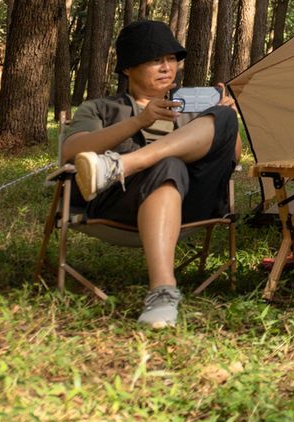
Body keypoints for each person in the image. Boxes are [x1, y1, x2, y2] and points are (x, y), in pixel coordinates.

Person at [60, 18, 240, 328]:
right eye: (155, 59)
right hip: (121, 200)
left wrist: (228, 121)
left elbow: (231, 159)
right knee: (168, 165)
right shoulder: (100, 108)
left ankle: (119, 166)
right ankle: (162, 291)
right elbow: (70, 152)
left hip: (191, 202)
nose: (166, 67)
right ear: (128, 68)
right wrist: (137, 122)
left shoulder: (194, 112)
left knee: (223, 117)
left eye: (171, 59)